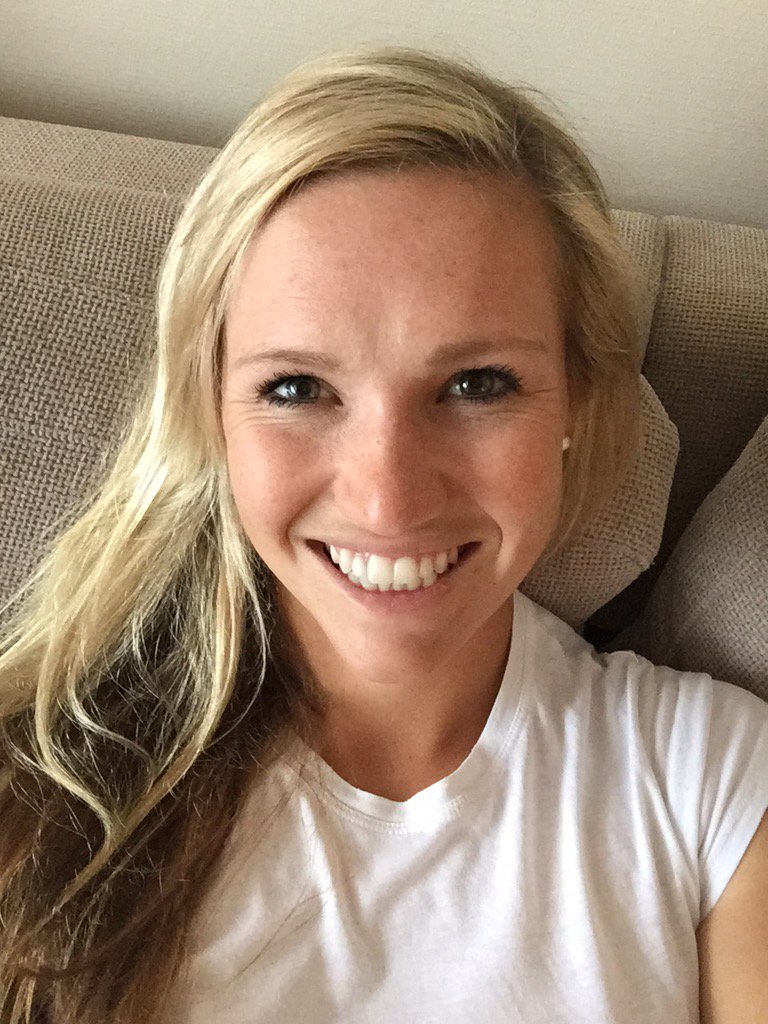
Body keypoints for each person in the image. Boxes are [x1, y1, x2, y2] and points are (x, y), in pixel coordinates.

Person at [0, 47, 766, 1024]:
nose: (389, 497)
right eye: (297, 388)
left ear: (575, 401)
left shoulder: (711, 787)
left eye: (476, 384)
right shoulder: (36, 788)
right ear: (212, 414)